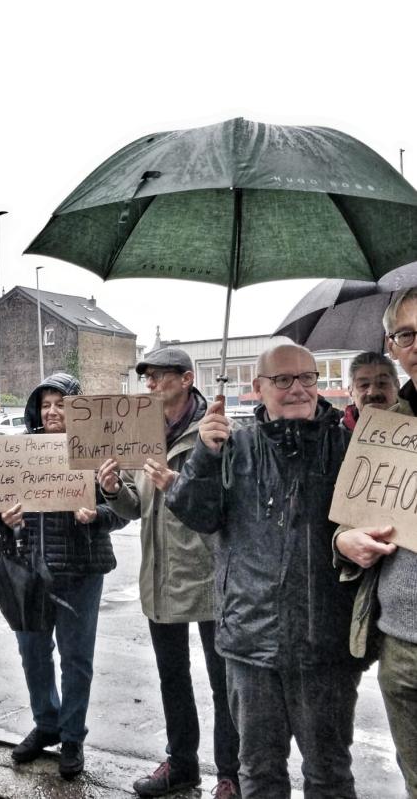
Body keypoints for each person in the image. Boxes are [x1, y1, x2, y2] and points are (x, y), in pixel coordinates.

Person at [167, 344, 365, 799]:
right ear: (257, 388)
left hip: (325, 644)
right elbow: (197, 514)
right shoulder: (233, 446)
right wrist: (204, 454)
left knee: (330, 773)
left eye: (307, 378)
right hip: (249, 644)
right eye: (283, 380)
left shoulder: (347, 447)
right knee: (258, 772)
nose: (298, 389)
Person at [97, 348, 239, 798]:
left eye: (158, 377)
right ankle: (182, 765)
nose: (151, 385)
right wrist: (113, 489)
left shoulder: (215, 430)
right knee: (172, 677)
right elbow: (137, 508)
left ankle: (230, 775)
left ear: (186, 378)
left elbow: (232, 504)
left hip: (211, 576)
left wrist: (183, 483)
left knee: (224, 684)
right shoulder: (142, 433)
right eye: (147, 378)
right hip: (160, 575)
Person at [0, 373, 127, 780]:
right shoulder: (22, 452)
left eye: (61, 404)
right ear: (36, 409)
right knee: (32, 653)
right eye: (46, 404)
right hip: (30, 568)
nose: (53, 412)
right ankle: (46, 723)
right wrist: (5, 520)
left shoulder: (98, 451)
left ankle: (72, 736)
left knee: (76, 659)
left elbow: (123, 509)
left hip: (82, 571)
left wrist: (96, 515)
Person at [334, 290, 417, 797]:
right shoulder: (384, 427)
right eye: (407, 334)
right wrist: (348, 541)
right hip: (400, 642)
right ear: (393, 343)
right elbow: (349, 521)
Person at [341, 351, 400, 430]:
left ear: (397, 386)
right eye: (364, 385)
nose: (373, 392)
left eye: (382, 383)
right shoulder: (334, 438)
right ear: (351, 392)